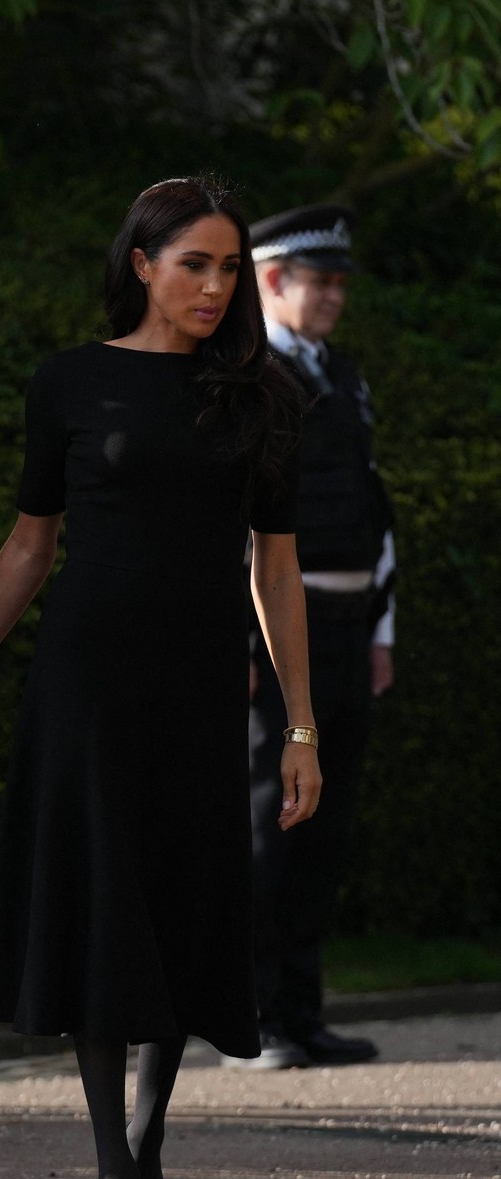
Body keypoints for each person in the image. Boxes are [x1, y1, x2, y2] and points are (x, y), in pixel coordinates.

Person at [0, 177, 318, 1179]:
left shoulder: (258, 395)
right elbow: (31, 544)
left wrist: (303, 725)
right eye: (195, 264)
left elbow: (275, 565)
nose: (216, 287)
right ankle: (110, 1164)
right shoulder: (70, 382)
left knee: (177, 898)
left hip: (199, 684)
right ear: (141, 262)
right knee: (100, 900)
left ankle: (148, 1133)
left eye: (229, 268)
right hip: (87, 677)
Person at [227, 205, 394, 1070]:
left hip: (345, 622)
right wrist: (236, 643)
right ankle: (250, 1019)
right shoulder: (245, 380)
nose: (334, 296)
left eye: (338, 282)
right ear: (271, 281)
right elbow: (224, 523)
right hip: (271, 634)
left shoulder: (342, 375)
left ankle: (301, 1009)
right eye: (319, 280)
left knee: (323, 824)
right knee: (267, 820)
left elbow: (375, 506)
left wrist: (382, 627)